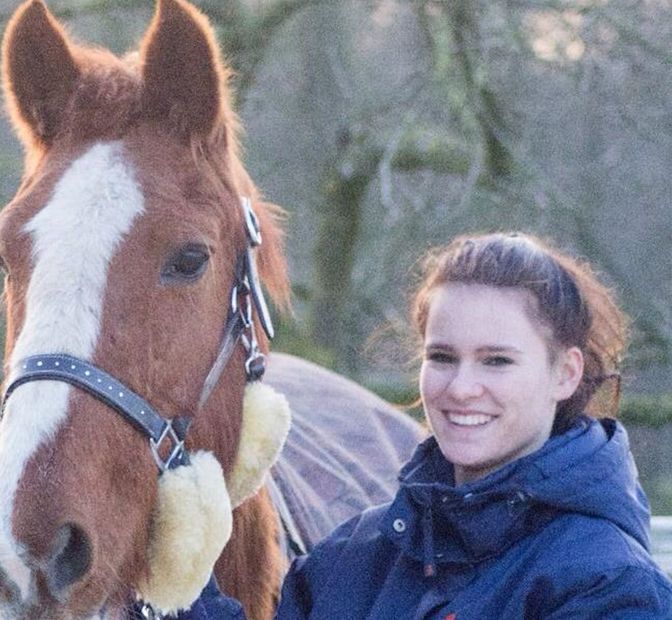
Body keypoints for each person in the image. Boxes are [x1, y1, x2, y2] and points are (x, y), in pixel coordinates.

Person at [177, 232, 672, 618]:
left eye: (496, 361)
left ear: (565, 373)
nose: (460, 388)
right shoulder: (354, 558)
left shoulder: (608, 587)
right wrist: (182, 575)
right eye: (442, 357)